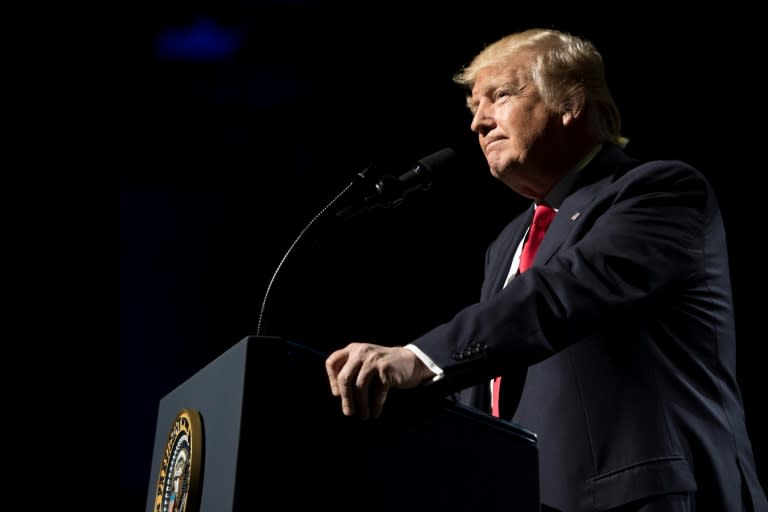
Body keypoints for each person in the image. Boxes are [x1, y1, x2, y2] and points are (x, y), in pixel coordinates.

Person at [324, 28, 767, 512]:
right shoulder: (506, 244)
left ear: (570, 102)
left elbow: (560, 295)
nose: (478, 122)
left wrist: (418, 358)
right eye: (473, 107)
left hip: (643, 496)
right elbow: (488, 378)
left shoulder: (658, 191)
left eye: (500, 95)